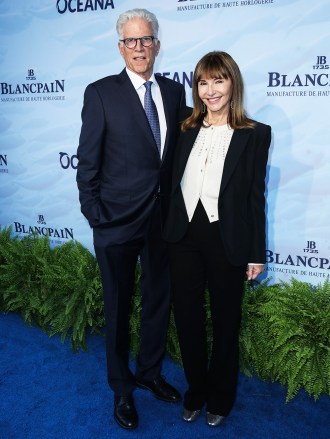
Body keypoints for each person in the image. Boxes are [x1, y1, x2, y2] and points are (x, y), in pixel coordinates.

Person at [76, 8, 186, 430]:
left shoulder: (175, 93)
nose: (139, 48)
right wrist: (95, 215)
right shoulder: (101, 93)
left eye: (146, 40)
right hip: (116, 223)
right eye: (131, 42)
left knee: (159, 300)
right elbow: (88, 161)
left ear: (157, 44)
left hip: (163, 221)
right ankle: (122, 390)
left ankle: (150, 373)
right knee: (119, 307)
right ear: (121, 47)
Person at [163, 51, 271, 427]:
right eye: (203, 82)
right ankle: (196, 390)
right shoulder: (184, 126)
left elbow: (256, 196)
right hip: (182, 236)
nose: (210, 90)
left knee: (226, 321)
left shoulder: (255, 134)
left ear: (232, 84)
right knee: (189, 319)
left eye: (218, 81)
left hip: (227, 237)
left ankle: (221, 398)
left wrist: (256, 251)